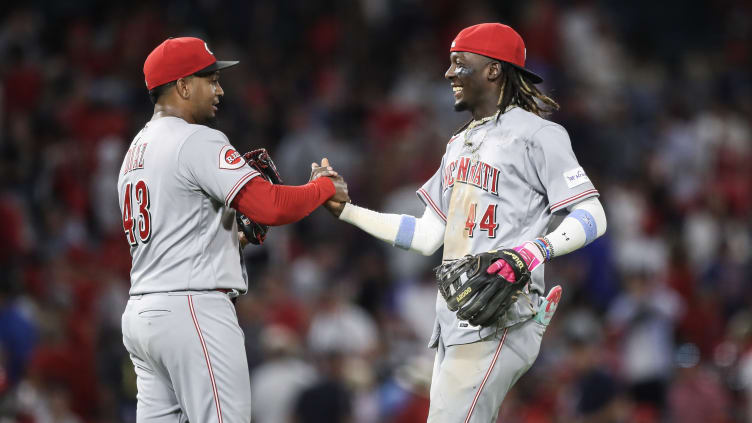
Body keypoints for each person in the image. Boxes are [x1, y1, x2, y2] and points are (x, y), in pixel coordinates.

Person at [323, 23, 607, 422]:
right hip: (457, 321)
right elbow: (425, 236)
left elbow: (593, 215)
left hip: (501, 317)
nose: (449, 72)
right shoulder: (458, 143)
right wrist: (349, 211)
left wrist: (534, 251)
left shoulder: (539, 134)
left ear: (493, 69)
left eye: (460, 62)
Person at [117, 37, 348, 423]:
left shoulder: (135, 152)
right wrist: (322, 188)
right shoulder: (195, 138)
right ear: (183, 86)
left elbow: (174, 237)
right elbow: (268, 206)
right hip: (192, 310)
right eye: (211, 78)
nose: (220, 89)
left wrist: (234, 239)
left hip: (144, 315)